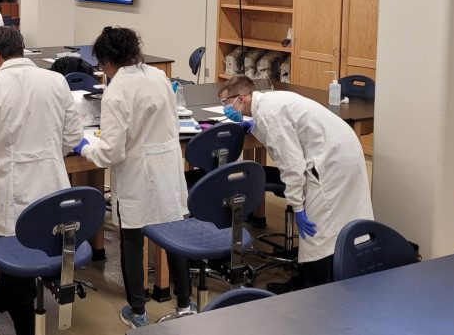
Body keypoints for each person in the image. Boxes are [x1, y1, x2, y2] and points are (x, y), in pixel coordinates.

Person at [0, 26, 83, 335]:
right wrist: (49, 153)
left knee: (19, 276)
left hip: (13, 195)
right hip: (52, 191)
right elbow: (73, 137)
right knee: (21, 277)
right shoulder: (56, 81)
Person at [72, 27, 191, 328]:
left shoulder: (117, 91)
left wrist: (86, 148)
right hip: (167, 166)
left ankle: (138, 312)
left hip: (138, 173)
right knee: (173, 234)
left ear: (107, 62)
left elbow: (111, 152)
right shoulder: (158, 76)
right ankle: (186, 304)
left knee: (132, 239)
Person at [218, 75, 374, 290]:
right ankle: (319, 280)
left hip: (331, 162)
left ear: (242, 98)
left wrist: (297, 206)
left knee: (318, 233)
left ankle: (312, 289)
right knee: (335, 224)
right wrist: (254, 128)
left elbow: (292, 166)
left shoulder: (269, 115)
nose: (225, 109)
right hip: (341, 150)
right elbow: (287, 130)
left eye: (227, 103)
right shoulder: (268, 103)